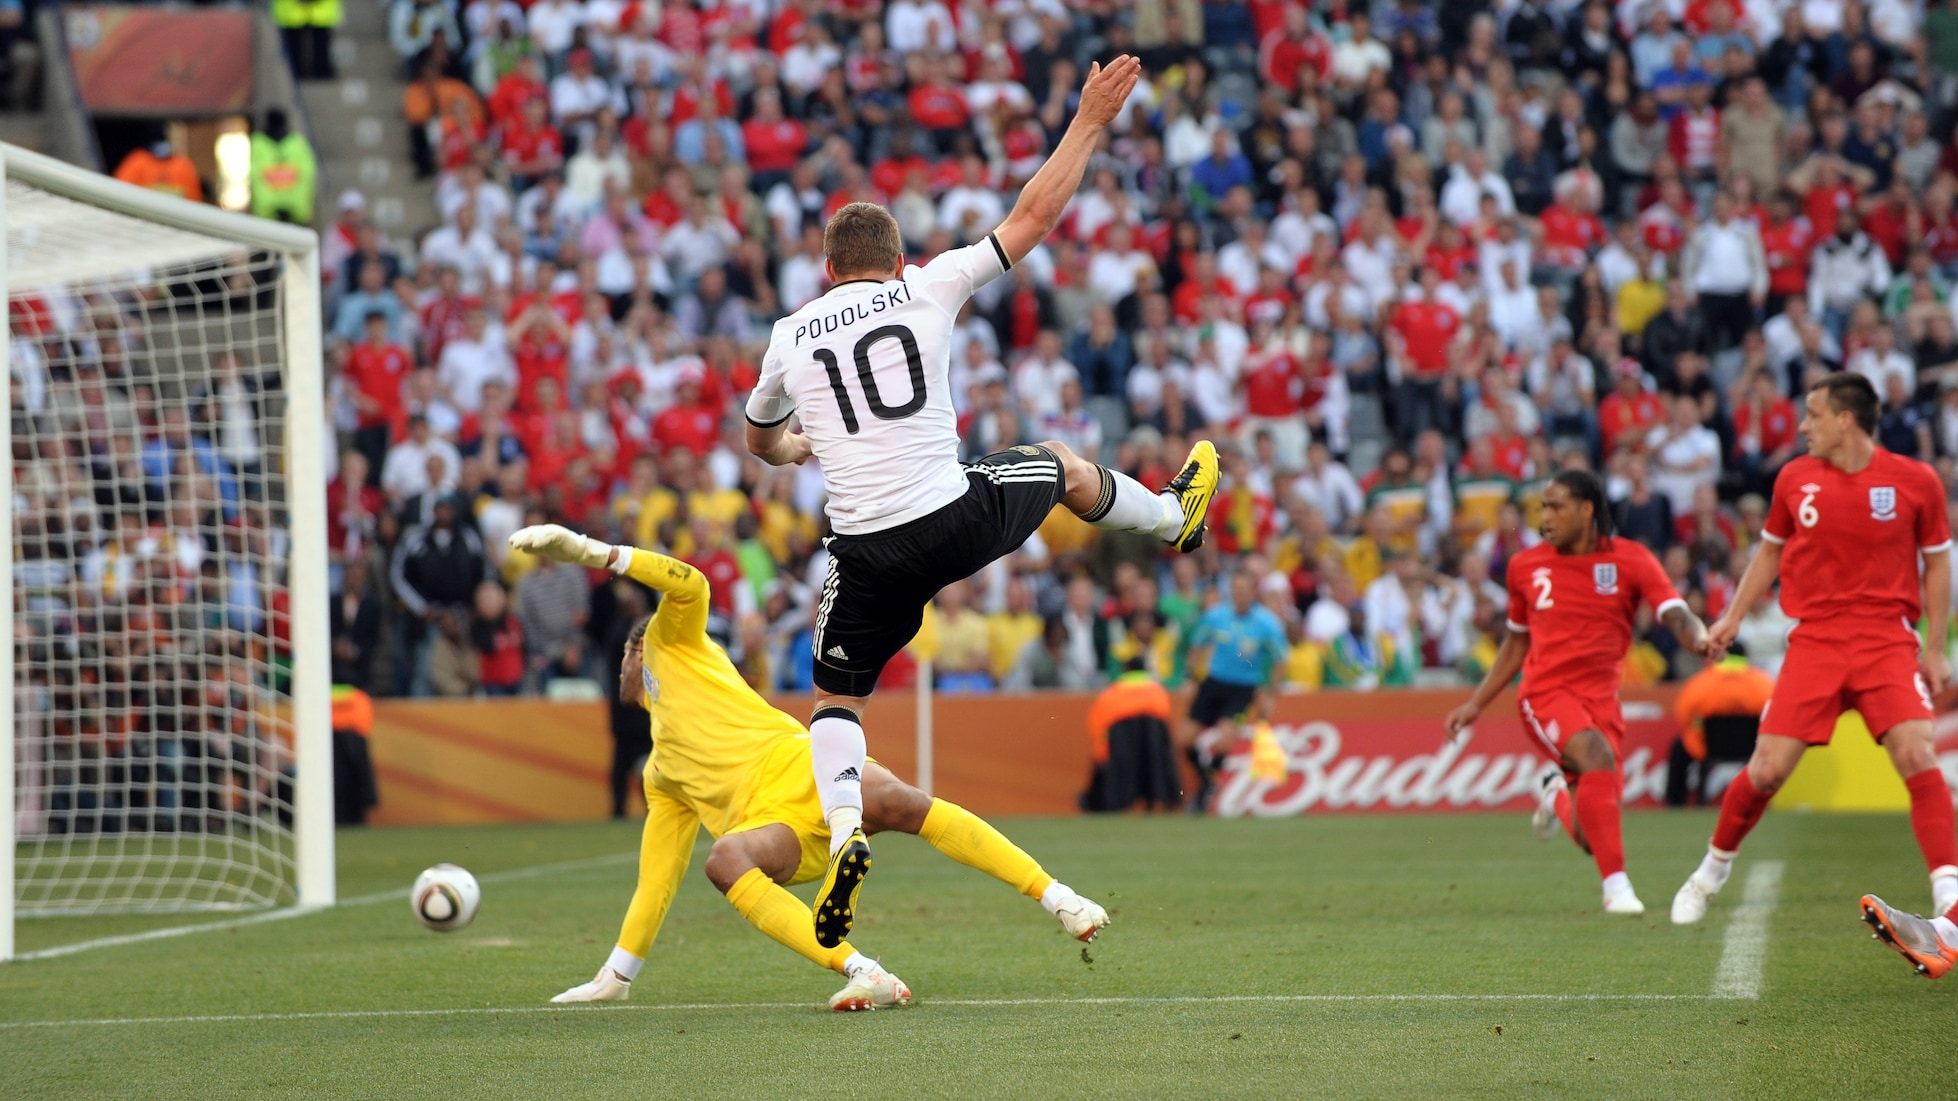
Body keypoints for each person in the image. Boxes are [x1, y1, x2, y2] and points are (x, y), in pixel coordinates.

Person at [744, 55, 1218, 951]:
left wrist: (792, 446)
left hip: (862, 552)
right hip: (948, 515)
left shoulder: (786, 336)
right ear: (893, 262)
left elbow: (758, 439)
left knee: (835, 705)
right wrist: (1086, 122)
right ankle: (1172, 518)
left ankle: (845, 834)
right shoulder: (927, 285)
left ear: (825, 266)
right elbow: (1032, 219)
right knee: (1062, 464)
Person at [513, 525, 1108, 1011]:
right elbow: (656, 881)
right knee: (724, 860)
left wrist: (594, 553)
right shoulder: (661, 776)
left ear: (638, 650)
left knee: (902, 802)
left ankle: (1060, 899)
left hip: (806, 766)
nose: (620, 660)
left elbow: (690, 583)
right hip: (787, 836)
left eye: (625, 651)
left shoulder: (673, 643)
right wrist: (617, 974)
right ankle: (862, 969)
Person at [1681, 373, 1954, 929]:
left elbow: (1938, 562)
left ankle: (1948, 897)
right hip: (1817, 639)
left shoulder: (1915, 481)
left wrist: (1938, 646)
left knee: (1916, 754)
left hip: (1886, 637)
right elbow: (1768, 555)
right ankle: (1711, 871)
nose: (1803, 425)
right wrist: (1731, 618)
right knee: (1767, 770)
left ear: (1845, 420)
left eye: (1813, 414)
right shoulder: (1794, 479)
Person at [1446, 470, 1714, 915]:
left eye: (1556, 506)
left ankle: (1554, 792)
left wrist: (1700, 640)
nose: (1546, 517)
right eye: (1542, 508)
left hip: (1601, 702)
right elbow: (1517, 642)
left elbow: (1676, 614)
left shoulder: (1630, 559)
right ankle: (1617, 888)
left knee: (1593, 836)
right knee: (1595, 756)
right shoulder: (1524, 566)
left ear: (1587, 509)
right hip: (1544, 694)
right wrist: (1476, 704)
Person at [1180, 568, 1289, 813]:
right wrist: (1190, 678)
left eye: (1244, 589)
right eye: (1235, 589)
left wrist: (1270, 694)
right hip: (1213, 683)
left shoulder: (1266, 623)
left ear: (1253, 592)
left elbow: (1280, 659)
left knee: (1226, 739)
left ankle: (1203, 791)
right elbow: (1197, 645)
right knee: (1184, 739)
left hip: (1243, 689)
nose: (1239, 594)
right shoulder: (1215, 617)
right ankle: (1207, 782)